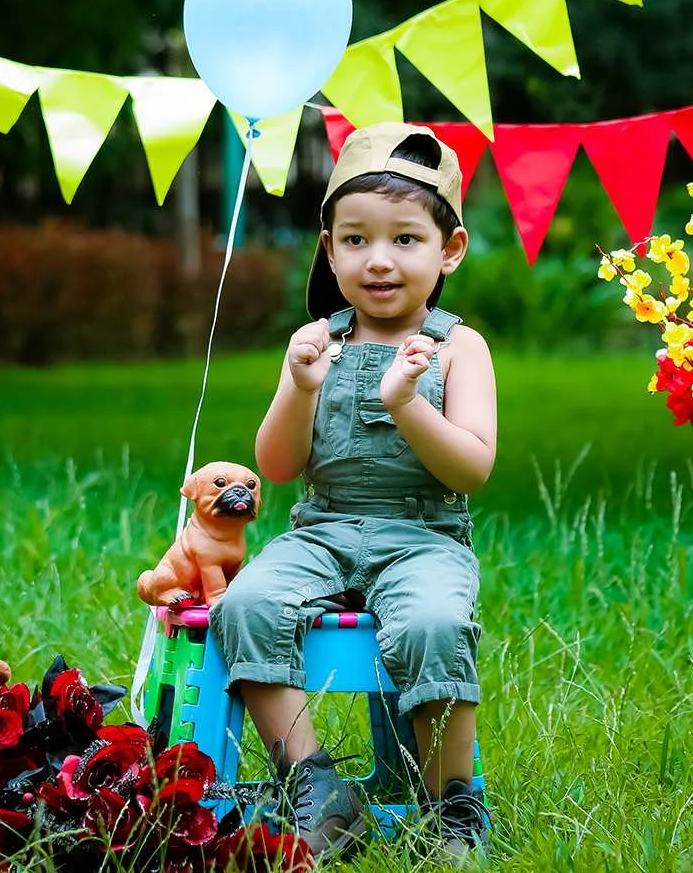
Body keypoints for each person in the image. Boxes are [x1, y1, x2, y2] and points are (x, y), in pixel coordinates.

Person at [208, 122, 497, 863]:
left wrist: (408, 403)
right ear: (329, 248)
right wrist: (301, 390)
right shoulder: (316, 341)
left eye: (405, 240)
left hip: (424, 537)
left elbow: (470, 468)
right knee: (246, 606)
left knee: (434, 624)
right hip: (323, 531)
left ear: (450, 250)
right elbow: (275, 466)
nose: (379, 260)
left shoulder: (459, 347)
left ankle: (450, 807)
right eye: (357, 239)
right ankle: (315, 784)